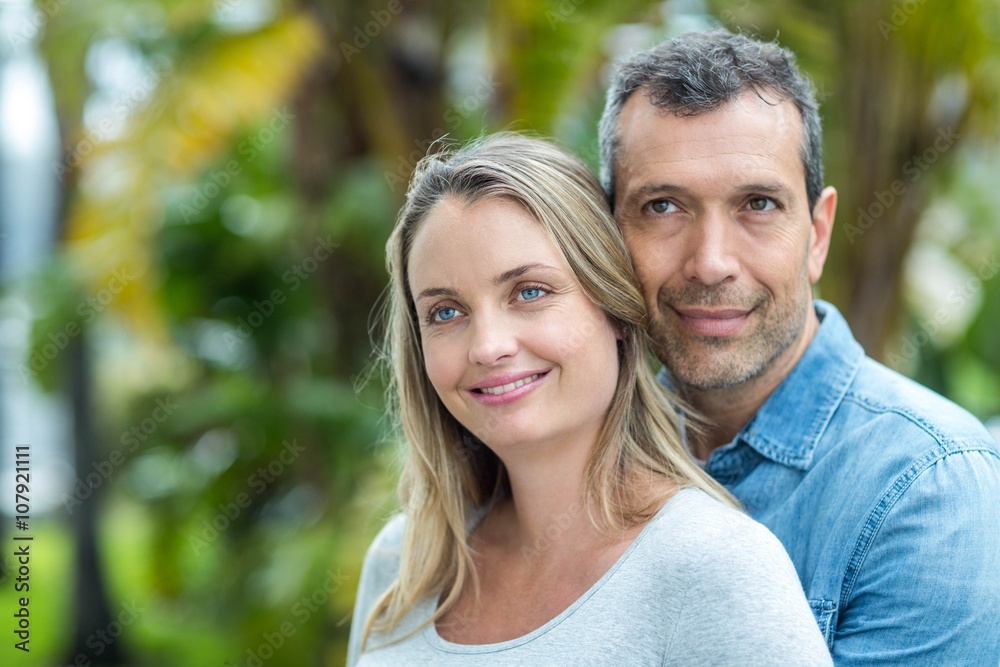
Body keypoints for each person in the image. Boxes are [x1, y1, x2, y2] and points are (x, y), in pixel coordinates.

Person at [347, 134, 832, 666]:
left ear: (615, 311)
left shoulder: (716, 568)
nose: (487, 346)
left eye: (529, 292)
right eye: (445, 312)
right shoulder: (403, 564)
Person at [598, 28, 1000, 665]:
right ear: (608, 232)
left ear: (816, 234)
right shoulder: (584, 456)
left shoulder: (931, 491)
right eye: (664, 206)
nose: (710, 264)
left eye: (757, 204)